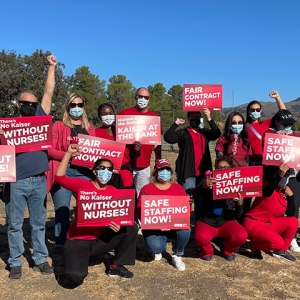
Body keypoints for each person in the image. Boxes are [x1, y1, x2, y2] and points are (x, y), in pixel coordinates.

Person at [55, 144, 138, 289]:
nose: (106, 172)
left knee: (131, 227)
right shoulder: (82, 185)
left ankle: (115, 266)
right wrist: (68, 154)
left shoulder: (113, 190)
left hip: (99, 240)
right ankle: (76, 260)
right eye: (102, 168)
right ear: (94, 171)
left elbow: (120, 214)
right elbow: (59, 177)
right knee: (75, 278)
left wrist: (118, 224)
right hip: (78, 241)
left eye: (109, 169)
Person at [3, 54, 56, 279]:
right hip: (16, 181)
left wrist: (51, 67)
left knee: (38, 223)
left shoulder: (40, 118)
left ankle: (41, 259)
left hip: (39, 179)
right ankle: (15, 261)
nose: (30, 107)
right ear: (18, 104)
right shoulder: (7, 126)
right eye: (26, 103)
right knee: (14, 224)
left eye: (33, 104)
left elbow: (48, 92)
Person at [47, 93, 95, 246]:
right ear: (67, 107)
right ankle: (62, 244)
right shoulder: (59, 125)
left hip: (85, 173)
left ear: (83, 107)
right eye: (73, 105)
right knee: (62, 211)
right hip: (64, 172)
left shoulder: (90, 127)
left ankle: (86, 241)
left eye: (79, 105)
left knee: (88, 209)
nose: (76, 108)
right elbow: (50, 150)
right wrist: (68, 155)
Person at [164, 109, 221, 220]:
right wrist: (176, 123)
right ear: (188, 119)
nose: (195, 120)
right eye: (193, 118)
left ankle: (199, 223)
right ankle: (185, 225)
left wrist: (209, 117)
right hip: (188, 173)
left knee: (201, 201)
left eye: (197, 118)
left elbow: (216, 133)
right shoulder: (182, 132)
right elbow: (168, 137)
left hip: (203, 173)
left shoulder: (204, 132)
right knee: (186, 200)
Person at [137, 159, 191, 271]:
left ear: (171, 172)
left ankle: (178, 254)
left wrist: (187, 204)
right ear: (155, 172)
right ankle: (157, 248)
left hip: (174, 225)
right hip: (154, 227)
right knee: (156, 248)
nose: (165, 172)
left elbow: (185, 213)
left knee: (186, 229)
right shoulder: (147, 189)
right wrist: (157, 222)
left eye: (167, 169)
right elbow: (139, 212)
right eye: (162, 169)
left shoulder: (178, 189)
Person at [194, 156, 248, 261]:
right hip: (207, 221)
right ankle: (207, 251)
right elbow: (195, 194)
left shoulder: (235, 186)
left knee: (241, 235)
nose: (222, 170)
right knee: (201, 237)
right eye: (220, 167)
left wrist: (240, 204)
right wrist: (204, 186)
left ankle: (227, 249)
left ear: (231, 169)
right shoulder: (208, 182)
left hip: (226, 221)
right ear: (215, 169)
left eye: (225, 167)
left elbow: (237, 215)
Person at [243, 163, 298, 261]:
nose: (286, 178)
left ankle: (281, 250)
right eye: (284, 174)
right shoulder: (267, 185)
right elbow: (267, 192)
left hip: (269, 224)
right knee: (277, 242)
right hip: (254, 223)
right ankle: (255, 245)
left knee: (293, 221)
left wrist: (291, 197)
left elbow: (290, 214)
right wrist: (279, 175)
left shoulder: (285, 191)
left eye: (287, 175)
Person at [265, 109, 300, 253]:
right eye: (284, 124)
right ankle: (275, 233)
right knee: (276, 206)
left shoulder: (296, 136)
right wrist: (276, 136)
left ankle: (291, 237)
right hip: (276, 175)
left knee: (294, 205)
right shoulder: (270, 133)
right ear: (277, 123)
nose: (287, 127)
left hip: (294, 176)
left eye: (290, 124)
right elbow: (266, 138)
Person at [119, 87, 161, 197]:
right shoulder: (124, 114)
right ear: (135, 97)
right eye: (140, 96)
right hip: (126, 164)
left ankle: (139, 214)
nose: (143, 99)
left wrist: (158, 160)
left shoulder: (154, 118)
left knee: (142, 195)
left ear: (149, 99)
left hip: (144, 165)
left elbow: (157, 144)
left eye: (146, 97)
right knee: (125, 194)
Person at [95, 103, 141, 188]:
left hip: (124, 172)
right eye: (104, 114)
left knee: (126, 199)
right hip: (105, 173)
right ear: (99, 116)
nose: (108, 116)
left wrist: (137, 150)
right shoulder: (95, 133)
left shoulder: (124, 130)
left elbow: (132, 155)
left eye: (110, 113)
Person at [246, 90, 286, 165]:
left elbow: (283, 114)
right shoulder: (245, 127)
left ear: (260, 111)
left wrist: (277, 97)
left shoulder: (266, 123)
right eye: (252, 110)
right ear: (248, 111)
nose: (255, 111)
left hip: (268, 163)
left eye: (257, 110)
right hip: (252, 163)